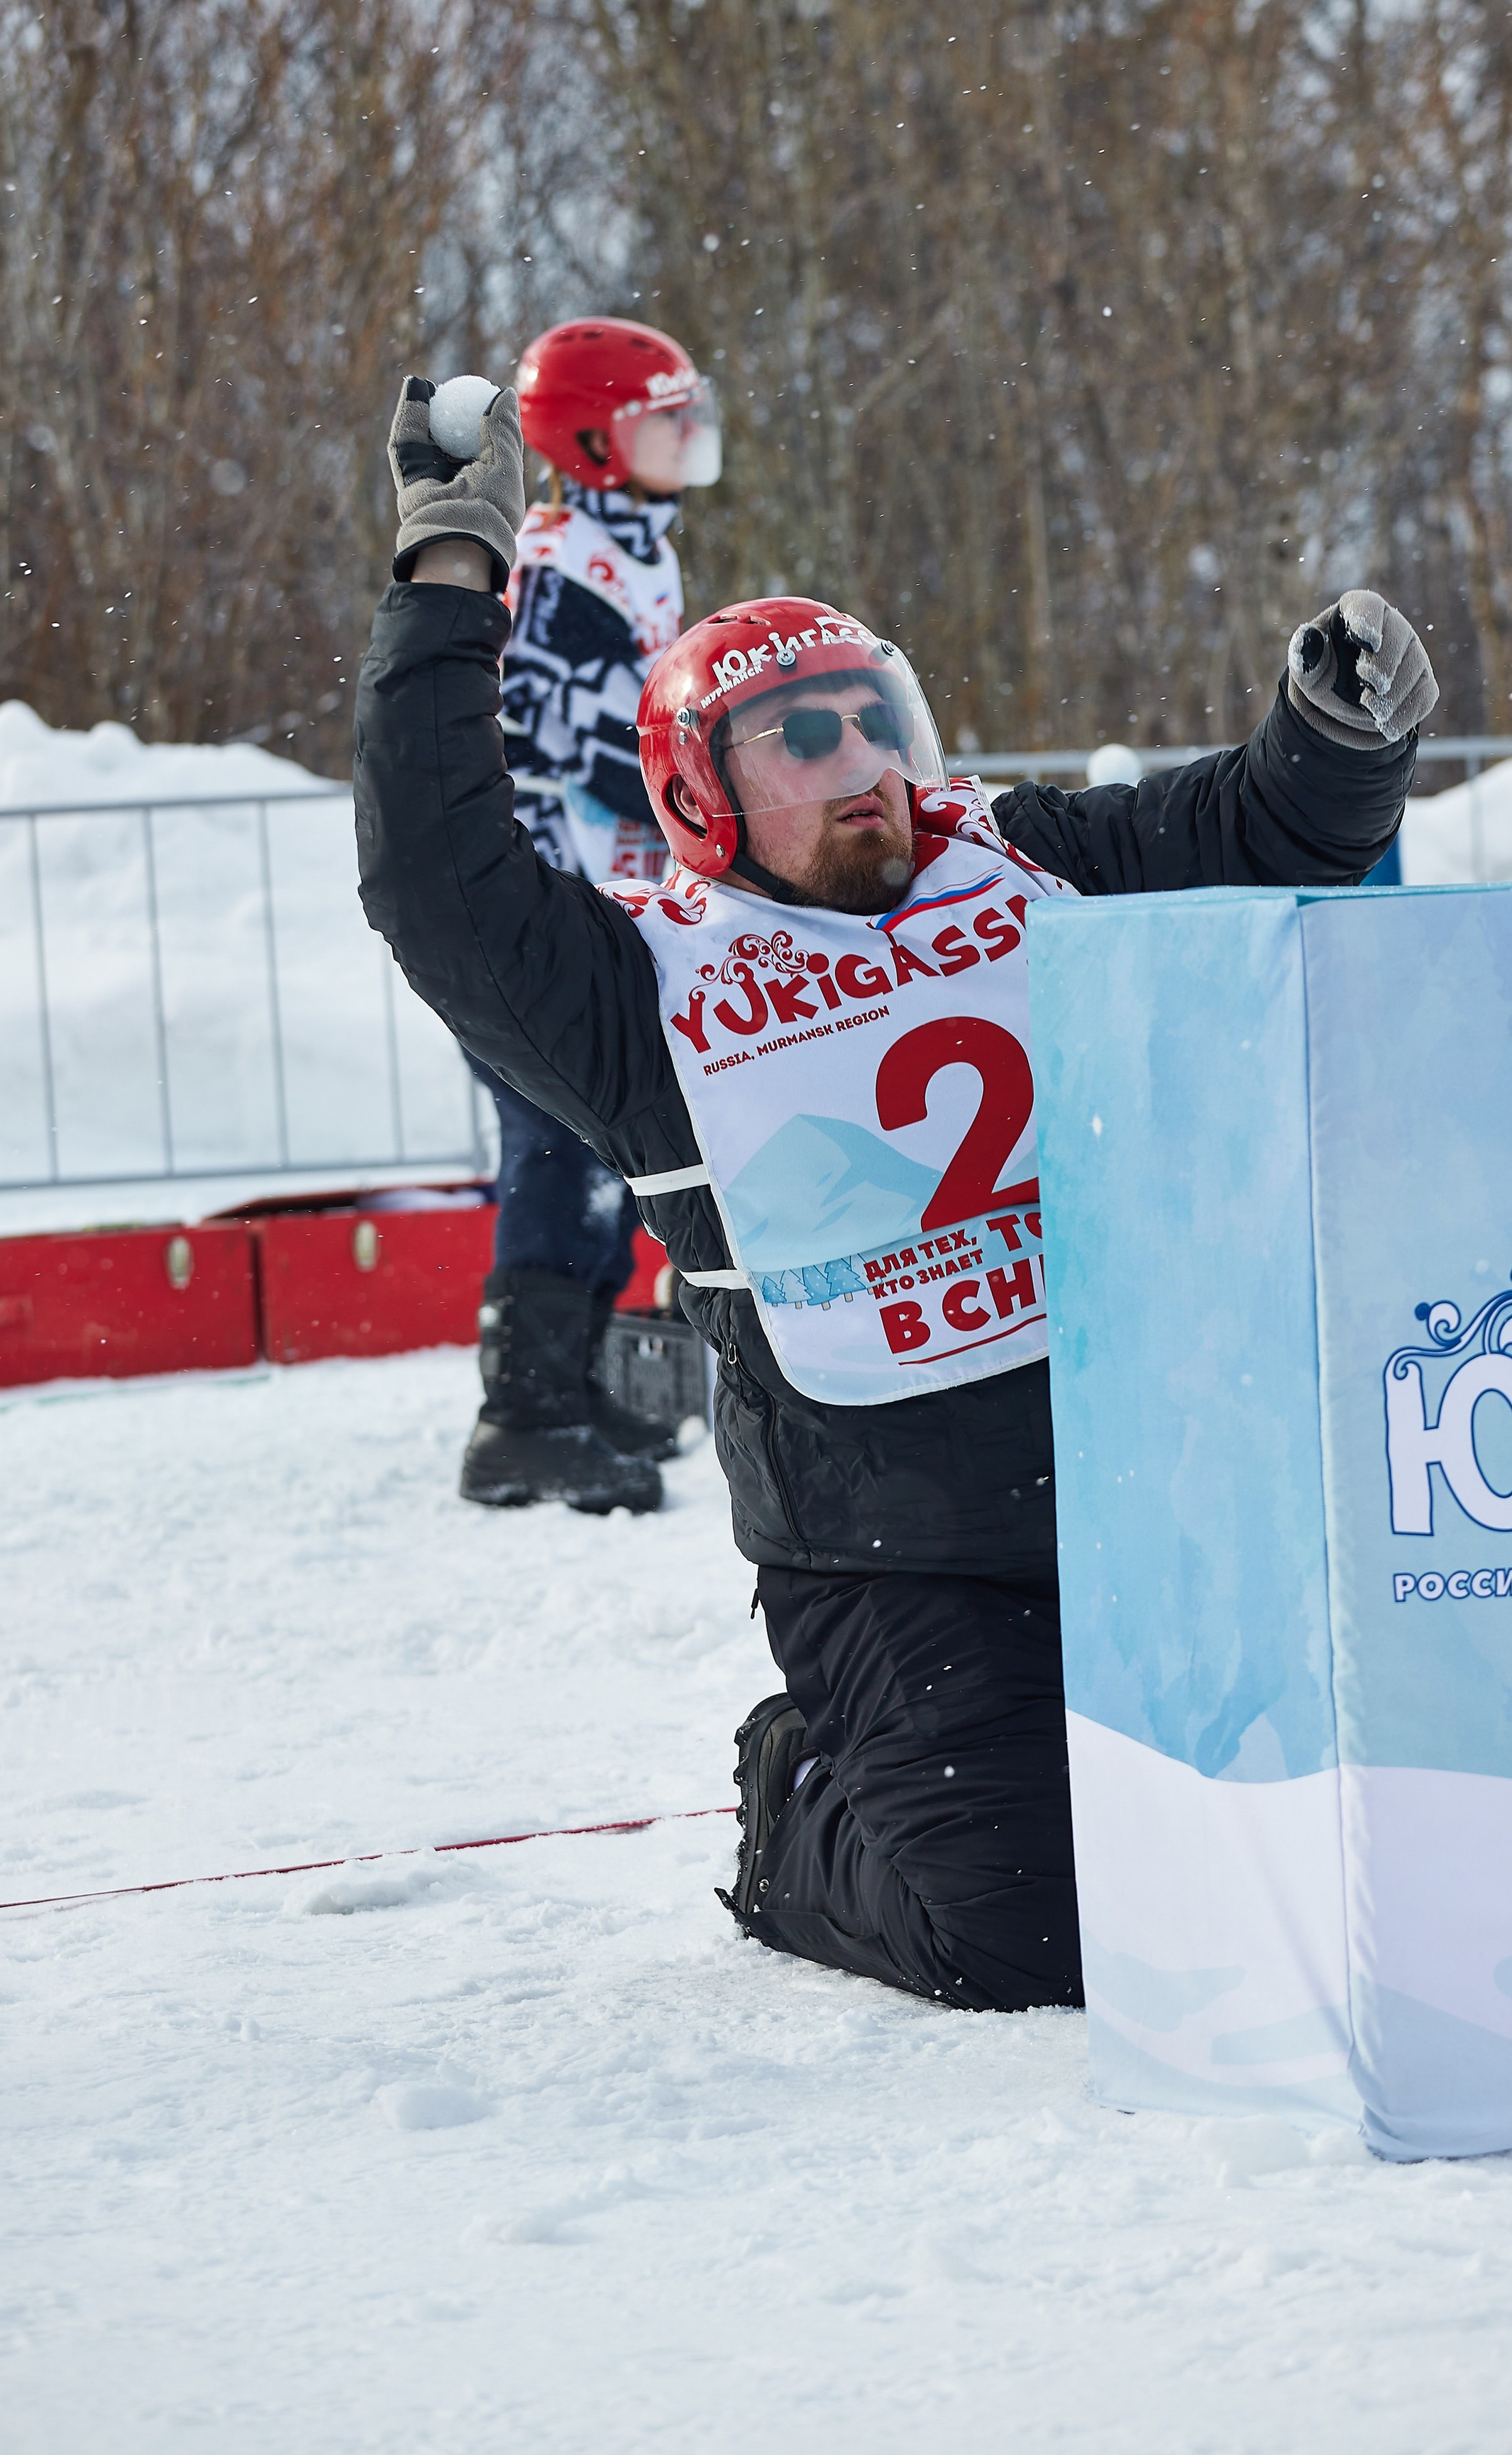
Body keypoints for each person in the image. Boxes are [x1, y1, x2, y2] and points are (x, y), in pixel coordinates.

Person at [358, 380, 1435, 2011]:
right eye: (799, 736)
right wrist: (452, 563)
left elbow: (1255, 822)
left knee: (1352, 1858)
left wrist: (1338, 737)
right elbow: (435, 878)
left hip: (1164, 1505)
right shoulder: (636, 985)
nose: (859, 762)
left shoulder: (1027, 859)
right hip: (895, 1560)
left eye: (876, 720)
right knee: (1027, 1940)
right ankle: (796, 1792)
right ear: (702, 788)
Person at [460, 318, 722, 1517]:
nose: (689, 434)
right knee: (559, 1144)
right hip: (539, 908)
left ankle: (575, 1381)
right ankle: (523, 1417)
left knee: (611, 1142)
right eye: (663, 416)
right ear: (597, 442)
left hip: (609, 898)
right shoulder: (564, 565)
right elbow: (566, 747)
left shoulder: (637, 553)